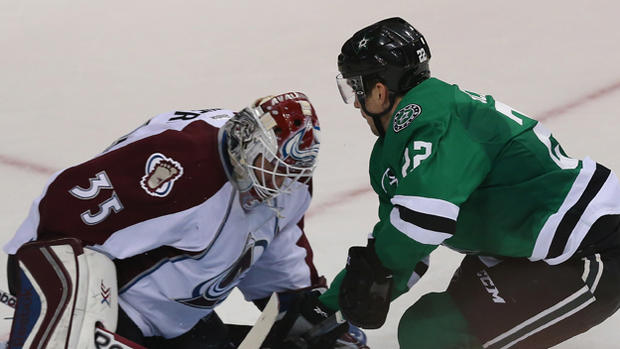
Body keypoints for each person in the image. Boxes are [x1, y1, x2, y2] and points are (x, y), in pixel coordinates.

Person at [275, 17, 620, 349]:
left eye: (355, 88)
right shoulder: (410, 135)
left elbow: (421, 226)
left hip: (590, 253)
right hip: (520, 254)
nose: (356, 104)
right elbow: (403, 243)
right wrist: (327, 307)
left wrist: (340, 303)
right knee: (427, 327)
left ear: (379, 90)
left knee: (439, 337)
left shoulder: (435, 121)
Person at [3, 92, 367, 349]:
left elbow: (277, 255)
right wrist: (42, 297)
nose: (278, 183)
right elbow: (61, 211)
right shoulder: (183, 165)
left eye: (288, 174)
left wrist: (305, 309)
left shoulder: (290, 184)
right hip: (111, 304)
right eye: (272, 167)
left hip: (178, 319)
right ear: (248, 144)